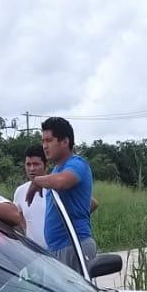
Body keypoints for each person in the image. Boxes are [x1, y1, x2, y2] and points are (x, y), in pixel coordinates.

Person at [26, 117, 97, 273]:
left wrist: (36, 181)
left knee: (79, 289)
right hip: (59, 248)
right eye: (43, 141)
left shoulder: (77, 164)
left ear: (65, 141)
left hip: (74, 245)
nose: (45, 146)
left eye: (49, 140)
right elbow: (90, 202)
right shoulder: (57, 170)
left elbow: (61, 182)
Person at [13, 145, 49, 248]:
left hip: (58, 251)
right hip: (33, 252)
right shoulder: (20, 191)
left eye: (36, 164)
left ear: (46, 165)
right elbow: (17, 216)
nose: (32, 169)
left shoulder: (55, 188)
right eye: (28, 164)